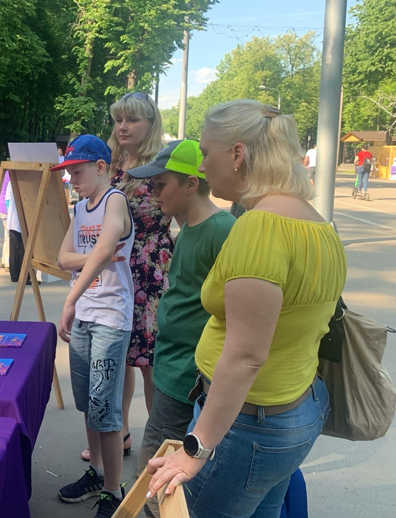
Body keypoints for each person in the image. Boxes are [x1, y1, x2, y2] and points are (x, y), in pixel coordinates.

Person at [146, 100, 347, 518]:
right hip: (293, 410)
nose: (202, 166)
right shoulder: (318, 224)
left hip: (247, 425)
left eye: (206, 153)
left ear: (237, 154)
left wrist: (196, 448)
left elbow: (245, 356)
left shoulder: (259, 227)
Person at [126, 139, 235, 517]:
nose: (153, 193)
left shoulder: (223, 230)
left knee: (158, 480)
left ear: (191, 184)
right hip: (170, 368)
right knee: (153, 469)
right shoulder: (187, 226)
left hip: (187, 374)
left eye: (160, 184)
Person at [80, 91, 172, 462]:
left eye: (132, 119)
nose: (122, 126)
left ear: (151, 123)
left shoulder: (162, 165)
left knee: (151, 364)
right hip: (116, 269)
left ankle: (159, 446)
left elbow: (185, 215)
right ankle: (120, 436)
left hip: (150, 273)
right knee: (119, 358)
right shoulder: (113, 163)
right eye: (118, 119)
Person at [54, 135, 135, 518]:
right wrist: (95, 257)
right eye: (69, 173)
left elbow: (105, 249)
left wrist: (71, 297)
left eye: (77, 172)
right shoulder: (80, 208)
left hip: (109, 318)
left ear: (101, 167)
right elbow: (63, 258)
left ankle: (113, 491)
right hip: (84, 317)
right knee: (88, 403)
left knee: (106, 408)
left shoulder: (113, 200)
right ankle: (97, 473)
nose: (72, 180)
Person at [0, 172, 11, 270]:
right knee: (11, 234)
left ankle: (4, 259)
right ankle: (8, 262)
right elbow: (9, 196)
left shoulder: (9, 171)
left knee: (7, 234)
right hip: (6, 207)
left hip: (3, 206)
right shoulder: (12, 172)